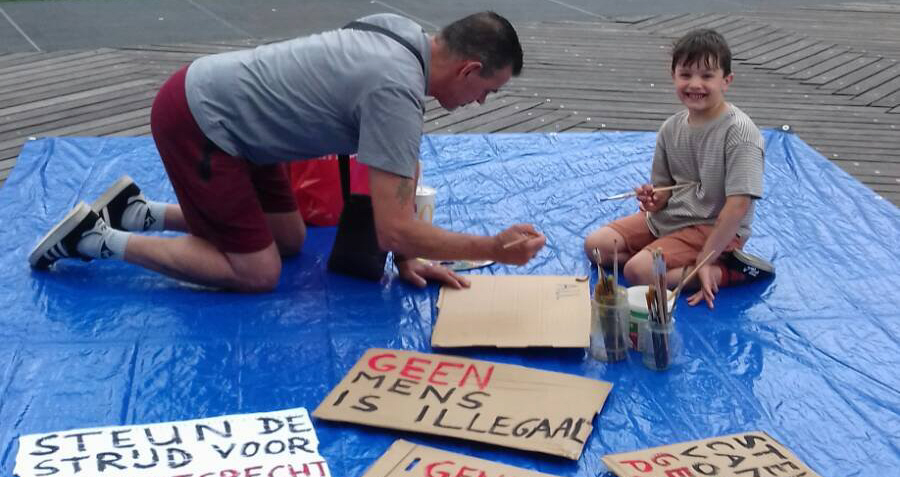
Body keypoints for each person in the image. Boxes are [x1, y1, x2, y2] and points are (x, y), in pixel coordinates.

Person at [29, 12, 545, 291]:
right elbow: (391, 225)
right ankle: (95, 239)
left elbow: (396, 166)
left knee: (289, 240)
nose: (480, 103)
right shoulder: (395, 91)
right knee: (256, 271)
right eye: (488, 93)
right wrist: (492, 249)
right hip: (200, 122)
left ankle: (140, 212)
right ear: (469, 70)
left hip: (242, 119)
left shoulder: (402, 32)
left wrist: (409, 255)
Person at [584, 28, 773, 309]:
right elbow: (663, 192)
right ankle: (667, 259)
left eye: (707, 76)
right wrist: (653, 199)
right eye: (686, 75)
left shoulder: (740, 133)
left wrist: (705, 258)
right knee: (597, 247)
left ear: (726, 81)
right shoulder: (671, 128)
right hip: (672, 219)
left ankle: (725, 270)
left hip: (714, 226)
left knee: (638, 273)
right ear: (673, 76)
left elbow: (737, 207)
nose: (695, 84)